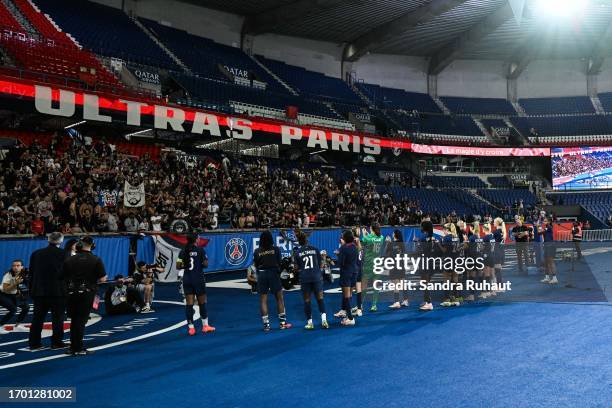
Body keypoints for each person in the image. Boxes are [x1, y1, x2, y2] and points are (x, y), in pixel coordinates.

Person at [63, 236, 107, 355]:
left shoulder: (70, 259)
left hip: (71, 293)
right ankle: (78, 348)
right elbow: (103, 279)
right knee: (81, 321)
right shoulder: (95, 259)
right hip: (86, 293)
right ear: (92, 245)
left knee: (74, 320)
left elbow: (63, 276)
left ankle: (73, 347)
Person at [28, 232, 67, 350]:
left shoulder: (36, 254)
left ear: (48, 240)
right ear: (60, 241)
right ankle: (56, 342)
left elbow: (32, 273)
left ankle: (34, 343)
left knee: (37, 318)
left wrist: (32, 290)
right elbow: (66, 273)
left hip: (39, 291)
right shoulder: (64, 254)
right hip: (57, 292)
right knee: (58, 318)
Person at [253, 230, 292, 332]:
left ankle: (266, 326)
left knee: (263, 300)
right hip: (273, 273)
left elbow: (256, 265)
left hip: (262, 274)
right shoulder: (276, 249)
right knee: (279, 298)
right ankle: (283, 324)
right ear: (271, 239)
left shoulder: (257, 251)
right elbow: (280, 263)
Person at [176, 235, 215, 336]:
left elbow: (178, 266)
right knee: (202, 303)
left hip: (187, 279)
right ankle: (205, 326)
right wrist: (198, 265)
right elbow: (206, 264)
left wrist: (186, 266)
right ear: (196, 240)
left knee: (189, 304)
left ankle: (191, 328)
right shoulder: (200, 250)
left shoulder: (183, 251)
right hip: (198, 279)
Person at [292, 231, 328, 329]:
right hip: (316, 277)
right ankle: (324, 321)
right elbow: (321, 265)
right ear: (307, 240)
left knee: (307, 300)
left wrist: (298, 269)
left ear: (299, 242)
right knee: (320, 299)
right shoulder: (315, 249)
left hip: (305, 278)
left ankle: (310, 323)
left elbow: (295, 268)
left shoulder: (297, 252)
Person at [334, 229, 358, 326]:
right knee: (350, 295)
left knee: (346, 296)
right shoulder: (354, 246)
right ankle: (346, 314)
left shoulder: (343, 248)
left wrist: (338, 254)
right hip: (354, 272)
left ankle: (351, 319)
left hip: (346, 273)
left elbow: (340, 263)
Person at [360, 224, 385, 312]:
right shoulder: (382, 237)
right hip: (377, 263)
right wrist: (368, 234)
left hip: (368, 263)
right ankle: (374, 305)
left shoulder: (368, 237)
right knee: (376, 285)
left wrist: (363, 234)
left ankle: (361, 305)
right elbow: (373, 239)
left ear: (371, 229)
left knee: (364, 284)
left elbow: (363, 242)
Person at [417, 220, 440, 311]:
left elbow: (419, 251)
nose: (420, 227)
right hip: (432, 262)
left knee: (424, 283)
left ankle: (429, 303)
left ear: (424, 227)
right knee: (427, 282)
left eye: (421, 226)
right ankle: (426, 301)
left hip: (425, 262)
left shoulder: (423, 238)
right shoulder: (434, 238)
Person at [0, 260, 29, 332]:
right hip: (2, 294)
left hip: (13, 294)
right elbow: (6, 289)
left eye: (18, 265)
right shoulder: (8, 274)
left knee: (26, 307)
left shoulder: (24, 273)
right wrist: (15, 283)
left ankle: (17, 326)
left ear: (22, 267)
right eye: (13, 266)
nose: (15, 267)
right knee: (13, 309)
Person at [387, 230, 409, 309]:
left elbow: (388, 253)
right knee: (402, 282)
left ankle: (397, 302)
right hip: (401, 265)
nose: (392, 233)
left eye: (393, 232)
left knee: (395, 283)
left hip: (394, 265)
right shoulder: (402, 243)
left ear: (395, 234)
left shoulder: (392, 243)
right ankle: (406, 300)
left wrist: (388, 243)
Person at [539, 219, 558, 284]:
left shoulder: (549, 227)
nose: (544, 222)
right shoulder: (546, 227)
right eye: (543, 221)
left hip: (550, 246)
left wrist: (538, 227)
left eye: (545, 221)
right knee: (546, 263)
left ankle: (554, 278)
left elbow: (540, 233)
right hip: (546, 246)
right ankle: (547, 277)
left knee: (551, 262)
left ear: (549, 222)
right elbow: (540, 233)